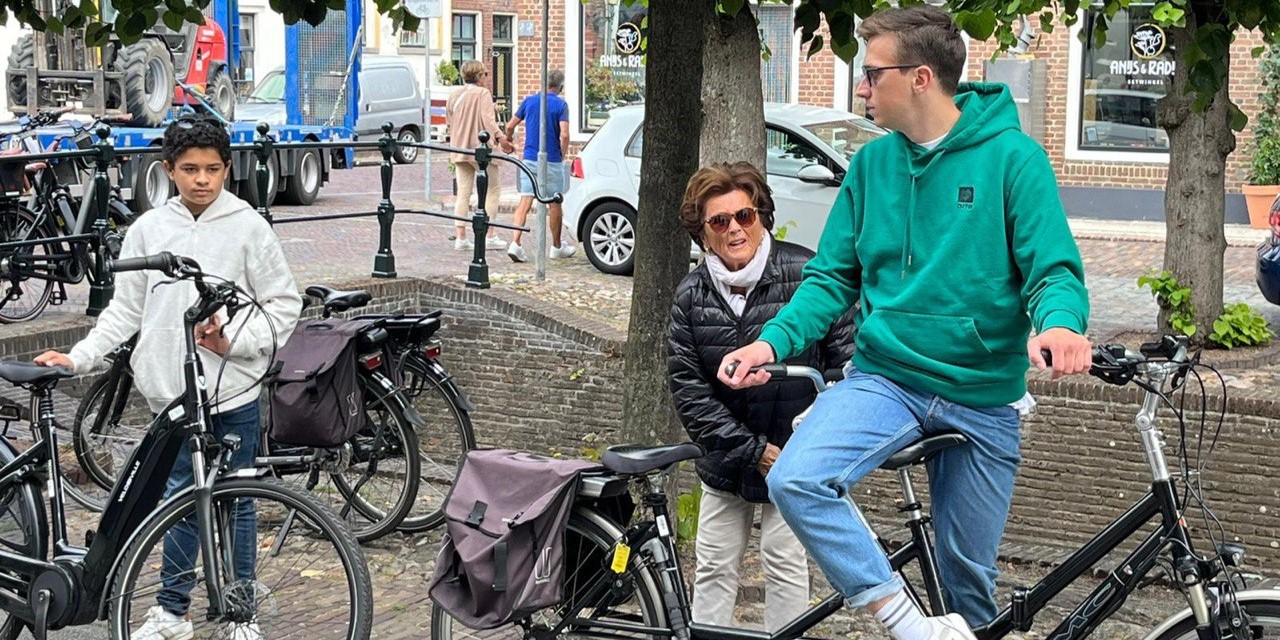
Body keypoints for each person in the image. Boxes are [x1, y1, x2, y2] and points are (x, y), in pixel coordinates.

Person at [716, 6, 1093, 640]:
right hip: (885, 378)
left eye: (871, 74)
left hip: (982, 395)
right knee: (797, 477)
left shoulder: (1013, 160)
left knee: (968, 583)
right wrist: (770, 341)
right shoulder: (870, 166)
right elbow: (833, 279)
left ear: (919, 77)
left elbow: (1052, 270)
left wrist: (1058, 324)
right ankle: (902, 621)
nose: (862, 88)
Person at [35, 116, 302, 640]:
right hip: (172, 396)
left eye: (212, 169)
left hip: (231, 390)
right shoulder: (150, 228)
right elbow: (123, 311)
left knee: (237, 501)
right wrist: (80, 356)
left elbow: (283, 304)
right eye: (189, 169)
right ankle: (172, 611)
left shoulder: (249, 226)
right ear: (168, 171)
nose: (202, 179)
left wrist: (236, 342)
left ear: (228, 168)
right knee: (179, 500)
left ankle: (240, 613)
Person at [668, 162, 854, 632]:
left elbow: (847, 363)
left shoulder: (806, 274)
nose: (735, 229)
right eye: (719, 221)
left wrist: (806, 441)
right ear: (704, 233)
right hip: (728, 458)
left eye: (745, 216)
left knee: (785, 563)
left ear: (762, 216)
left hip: (795, 454)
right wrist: (751, 452)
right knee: (713, 565)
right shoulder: (691, 298)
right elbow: (690, 392)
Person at [503, 69, 574, 263]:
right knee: (555, 202)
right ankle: (557, 246)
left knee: (525, 200)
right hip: (552, 159)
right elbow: (565, 134)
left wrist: (508, 141)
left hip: (530, 158)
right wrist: (562, 154)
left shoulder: (529, 101)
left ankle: (515, 243)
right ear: (560, 87)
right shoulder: (561, 105)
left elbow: (510, 126)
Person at [446, 60, 513, 251]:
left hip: (460, 149)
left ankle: (461, 237)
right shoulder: (483, 94)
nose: (486, 77)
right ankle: (490, 235)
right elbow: (488, 120)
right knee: (493, 189)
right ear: (478, 76)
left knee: (463, 193)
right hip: (480, 149)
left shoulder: (455, 94)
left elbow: (449, 120)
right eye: (484, 74)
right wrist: (501, 139)